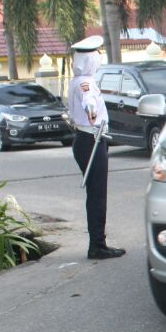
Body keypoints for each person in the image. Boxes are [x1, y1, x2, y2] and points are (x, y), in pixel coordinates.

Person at [67, 35, 125, 260]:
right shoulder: (85, 83)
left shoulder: (79, 80)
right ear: (90, 59)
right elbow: (88, 100)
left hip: (87, 139)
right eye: (96, 55)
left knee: (95, 194)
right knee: (97, 196)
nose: (98, 58)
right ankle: (97, 246)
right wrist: (91, 112)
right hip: (91, 140)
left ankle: (98, 243)